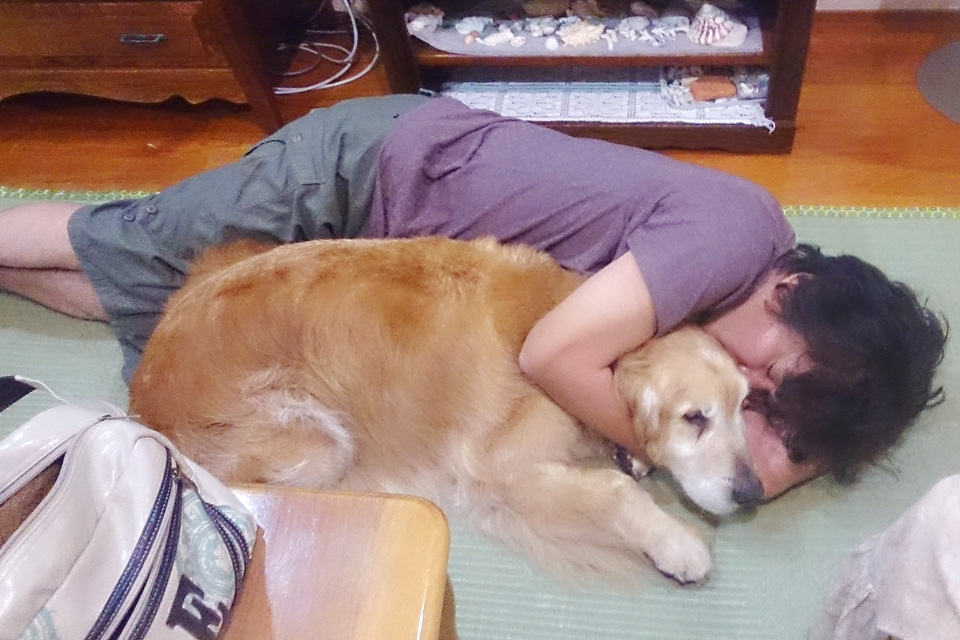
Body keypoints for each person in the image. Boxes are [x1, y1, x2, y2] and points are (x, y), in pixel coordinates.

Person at [0, 94, 947, 500]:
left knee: (147, 302)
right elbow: (553, 355)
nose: (739, 380)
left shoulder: (753, 291)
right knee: (120, 241)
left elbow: (766, 460)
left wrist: (800, 446)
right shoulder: (729, 240)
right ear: (790, 287)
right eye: (763, 369)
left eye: (764, 400)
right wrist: (669, 447)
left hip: (373, 263)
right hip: (362, 172)